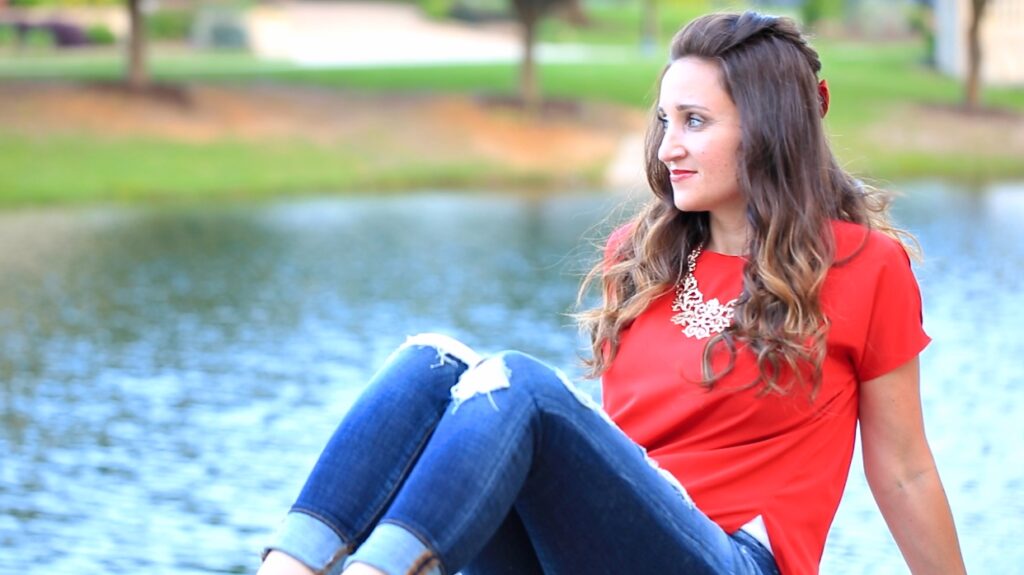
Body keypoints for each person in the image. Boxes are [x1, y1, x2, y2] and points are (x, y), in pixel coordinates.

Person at [258, 11, 965, 575]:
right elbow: (612, 460)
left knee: (520, 385)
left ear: (770, 129)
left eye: (695, 121)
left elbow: (903, 470)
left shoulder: (864, 266)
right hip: (610, 548)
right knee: (432, 361)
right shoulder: (640, 256)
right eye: (665, 121)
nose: (667, 148)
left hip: (735, 558)